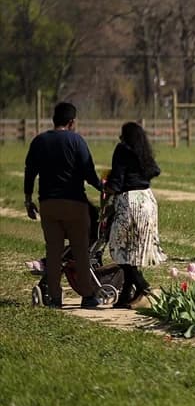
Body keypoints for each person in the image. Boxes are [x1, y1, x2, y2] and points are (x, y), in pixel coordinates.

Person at [23, 101, 104, 308]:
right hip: (74, 203)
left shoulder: (39, 141)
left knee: (53, 251)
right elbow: (89, 173)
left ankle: (55, 297)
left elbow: (30, 172)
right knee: (80, 251)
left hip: (48, 204)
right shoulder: (77, 141)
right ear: (72, 122)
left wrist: (28, 199)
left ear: (54, 120)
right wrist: (104, 187)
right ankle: (87, 296)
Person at [105, 121, 165, 308]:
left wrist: (105, 187)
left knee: (119, 248)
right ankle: (126, 296)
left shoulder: (122, 150)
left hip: (129, 202)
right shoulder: (143, 151)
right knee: (134, 250)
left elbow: (117, 180)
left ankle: (143, 287)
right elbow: (154, 170)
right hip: (147, 201)